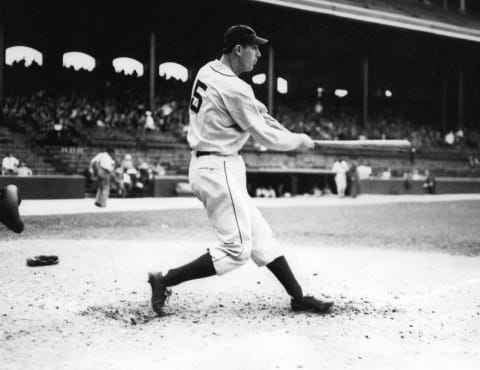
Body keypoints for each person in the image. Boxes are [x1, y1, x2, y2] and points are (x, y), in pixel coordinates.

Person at [148, 25, 333, 316]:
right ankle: (165, 280)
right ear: (238, 49)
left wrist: (271, 118)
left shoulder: (208, 70)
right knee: (237, 250)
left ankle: (297, 296)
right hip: (217, 167)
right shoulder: (236, 88)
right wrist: (298, 141)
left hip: (214, 164)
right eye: (254, 48)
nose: (258, 54)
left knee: (261, 236)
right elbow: (264, 136)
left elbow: (246, 109)